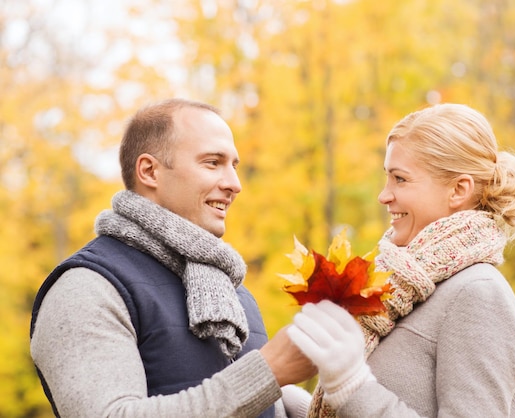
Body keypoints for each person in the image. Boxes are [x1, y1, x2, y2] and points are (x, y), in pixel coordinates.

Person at [30, 98, 315, 417]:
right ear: (150, 171)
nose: (235, 184)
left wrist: (298, 403)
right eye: (212, 162)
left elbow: (218, 384)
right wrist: (268, 373)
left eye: (233, 165)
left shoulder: (231, 290)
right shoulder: (86, 287)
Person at [288, 103, 515, 417]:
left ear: (458, 190)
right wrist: (286, 402)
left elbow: (365, 398)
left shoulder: (478, 294)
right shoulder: (402, 290)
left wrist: (351, 384)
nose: (384, 195)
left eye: (400, 179)